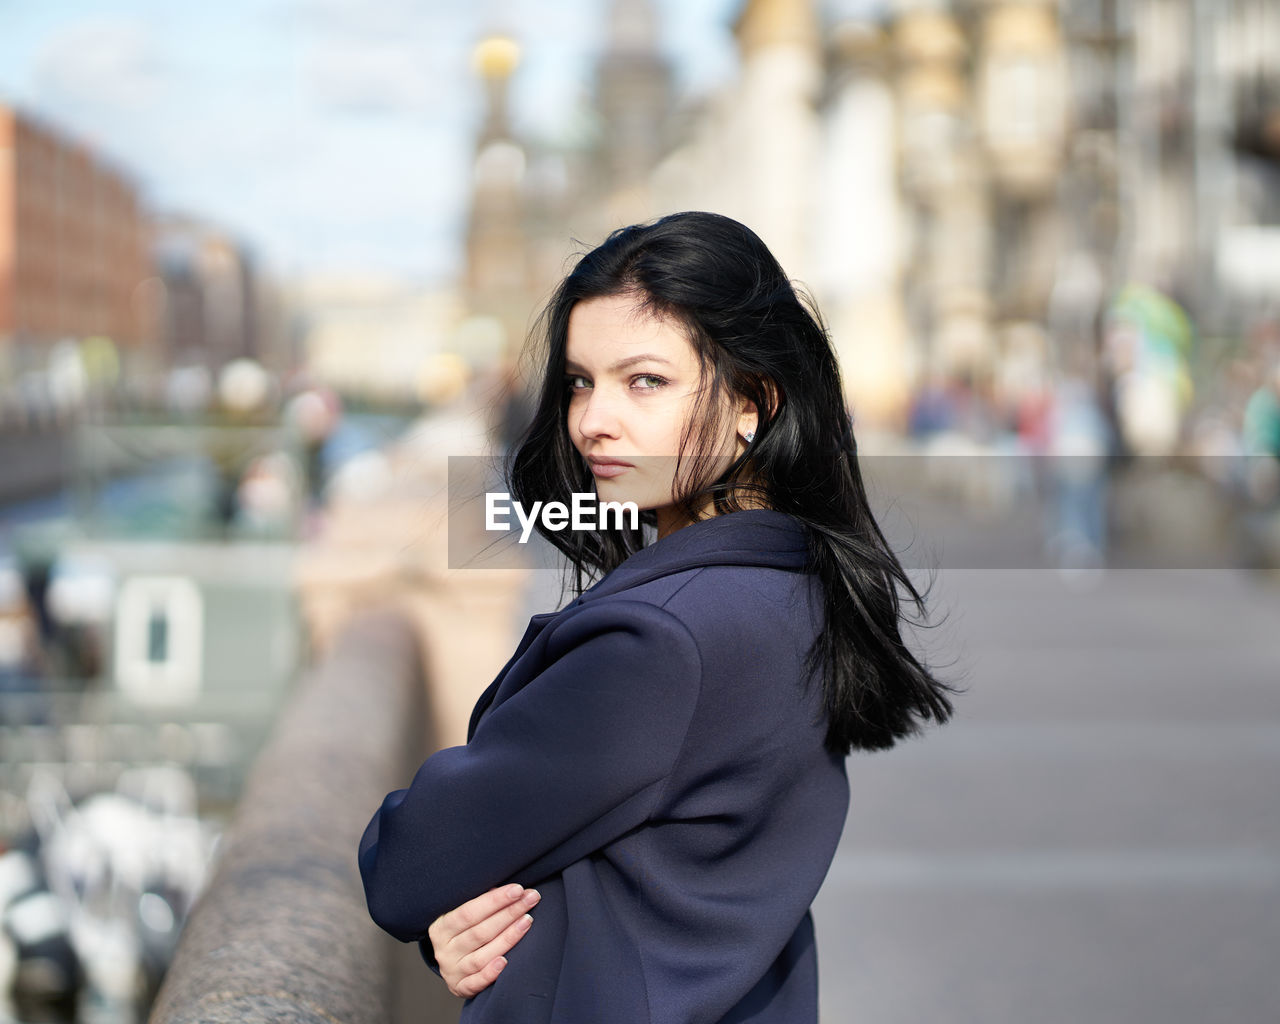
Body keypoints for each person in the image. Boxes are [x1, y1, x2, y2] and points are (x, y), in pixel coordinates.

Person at [358, 211, 958, 1023]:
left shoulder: (662, 640)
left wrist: (442, 899)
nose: (593, 419)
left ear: (754, 402)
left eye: (645, 381)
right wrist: (457, 929)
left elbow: (406, 862)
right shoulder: (795, 583)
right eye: (580, 381)